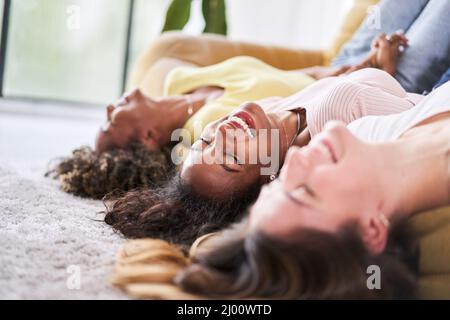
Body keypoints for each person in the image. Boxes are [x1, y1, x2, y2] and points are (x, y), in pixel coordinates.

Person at [110, 80, 450, 300]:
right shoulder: (358, 138)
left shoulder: (366, 134)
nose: (295, 159)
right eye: (303, 192)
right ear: (371, 229)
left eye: (279, 184)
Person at [49, 33, 406, 200]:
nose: (112, 106)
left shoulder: (180, 80)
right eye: (112, 120)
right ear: (147, 138)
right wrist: (380, 71)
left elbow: (299, 89)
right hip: (381, 80)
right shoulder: (214, 127)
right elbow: (335, 109)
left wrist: (347, 67)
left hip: (349, 66)